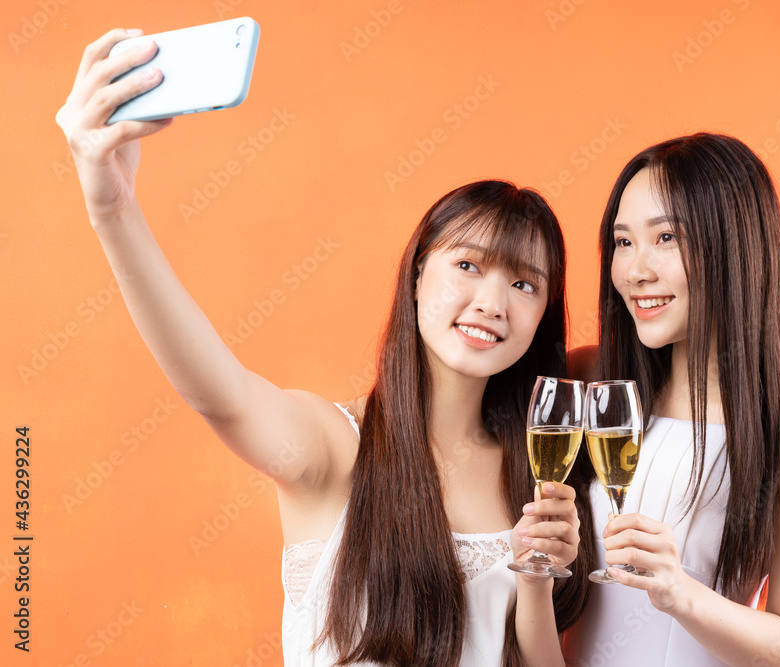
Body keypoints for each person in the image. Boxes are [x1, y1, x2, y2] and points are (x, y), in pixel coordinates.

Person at [56, 29, 596, 666]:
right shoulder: (336, 447)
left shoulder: (535, 472)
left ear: (543, 313)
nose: (492, 302)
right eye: (469, 266)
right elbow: (219, 396)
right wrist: (113, 209)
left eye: (523, 282)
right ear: (418, 273)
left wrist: (537, 581)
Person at [565, 133, 780, 666]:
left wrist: (680, 592)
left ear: (736, 247)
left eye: (667, 237)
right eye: (623, 242)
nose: (635, 270)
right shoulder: (594, 381)